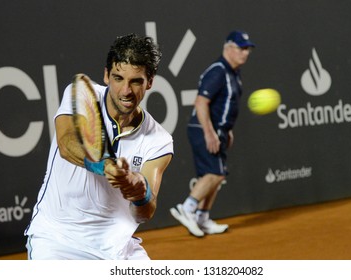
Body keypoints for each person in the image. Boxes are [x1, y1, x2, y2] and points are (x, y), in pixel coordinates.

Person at [24, 34, 173, 259]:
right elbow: (66, 144)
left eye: (136, 81)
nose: (126, 91)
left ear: (149, 82)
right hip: (58, 240)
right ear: (106, 75)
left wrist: (138, 190)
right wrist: (104, 166)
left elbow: (145, 212)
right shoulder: (83, 95)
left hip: (119, 250)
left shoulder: (159, 140)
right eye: (118, 78)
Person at [170, 30, 255, 237]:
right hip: (203, 128)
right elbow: (201, 102)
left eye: (248, 49)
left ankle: (202, 218)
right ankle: (187, 208)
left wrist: (228, 131)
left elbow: (226, 106)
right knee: (214, 173)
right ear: (228, 48)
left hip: (219, 130)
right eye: (241, 48)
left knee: (217, 175)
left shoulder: (234, 74)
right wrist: (209, 133)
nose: (245, 53)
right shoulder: (218, 71)